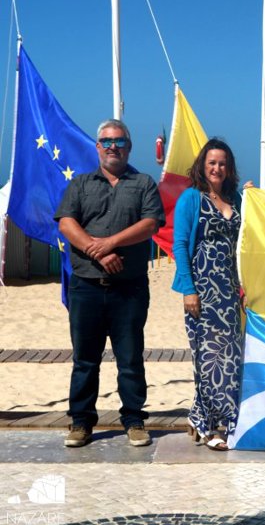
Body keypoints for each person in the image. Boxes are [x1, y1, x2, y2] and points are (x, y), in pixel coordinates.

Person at [55, 119, 165, 448]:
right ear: (97, 146)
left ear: (129, 147)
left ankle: (133, 419)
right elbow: (66, 223)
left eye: (119, 142)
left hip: (128, 288)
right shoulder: (80, 184)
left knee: (130, 357)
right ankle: (81, 422)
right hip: (86, 287)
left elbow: (149, 224)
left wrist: (110, 242)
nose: (112, 147)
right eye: (106, 141)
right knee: (85, 359)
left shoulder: (143, 183)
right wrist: (97, 251)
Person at [172, 138, 244, 452]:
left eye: (223, 163)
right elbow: (180, 245)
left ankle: (210, 419)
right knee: (208, 359)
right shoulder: (191, 198)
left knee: (232, 359)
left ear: (229, 169)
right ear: (203, 165)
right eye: (212, 162)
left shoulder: (238, 199)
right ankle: (211, 425)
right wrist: (188, 290)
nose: (217, 168)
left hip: (231, 291)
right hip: (202, 291)